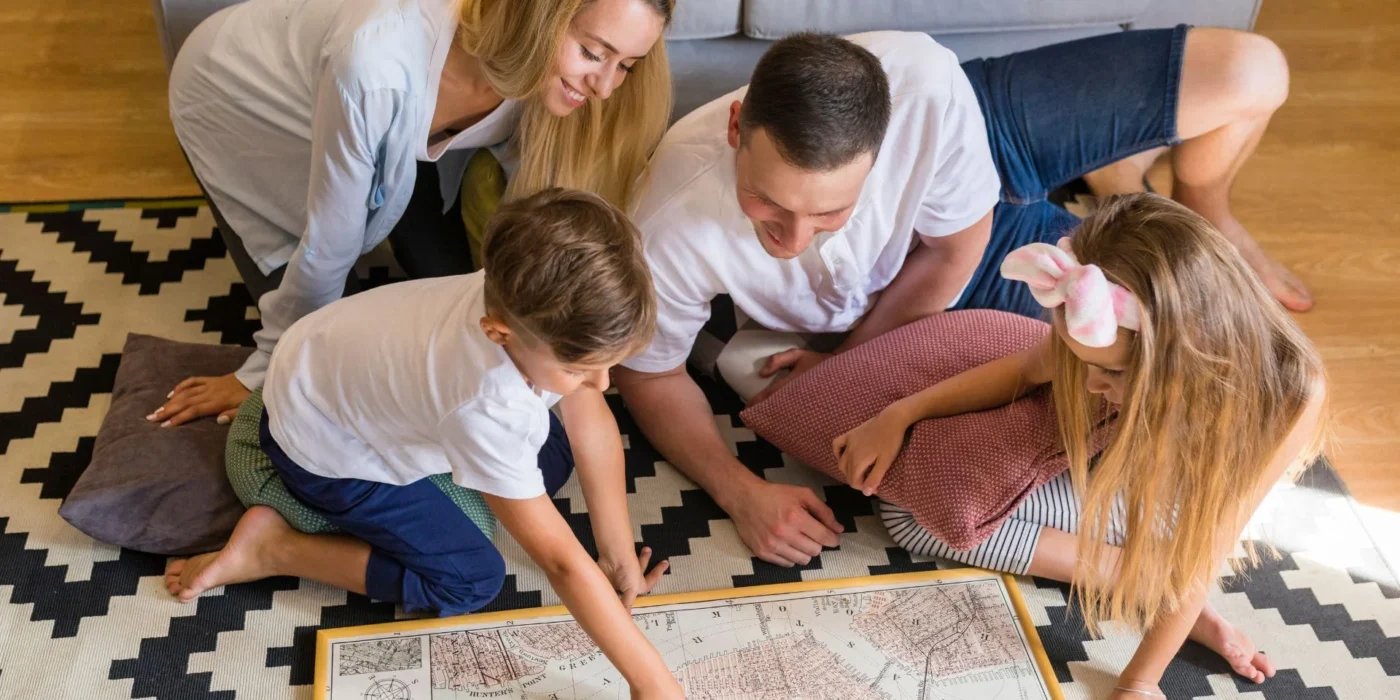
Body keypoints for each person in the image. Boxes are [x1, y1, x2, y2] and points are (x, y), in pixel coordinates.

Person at [613, 28, 1302, 570]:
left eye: (829, 215)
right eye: (764, 204)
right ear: (737, 129)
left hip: (976, 166)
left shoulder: (926, 88)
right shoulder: (671, 218)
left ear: (879, 161)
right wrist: (739, 490)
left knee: (1255, 70)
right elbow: (647, 372)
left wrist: (848, 356)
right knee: (1158, 363)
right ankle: (1111, 185)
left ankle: (1194, 202)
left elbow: (954, 244)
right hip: (965, 273)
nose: (790, 239)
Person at [164, 189, 684, 698]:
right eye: (580, 367)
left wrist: (616, 553)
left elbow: (585, 411)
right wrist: (651, 682)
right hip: (329, 449)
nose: (605, 384)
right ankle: (273, 549)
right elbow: (562, 563)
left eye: (609, 363)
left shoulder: (519, 280)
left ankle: (470, 462)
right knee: (470, 580)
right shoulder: (484, 404)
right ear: (499, 333)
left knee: (555, 450)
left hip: (326, 367)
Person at [833, 194, 1327, 699]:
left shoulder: (1291, 393)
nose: (1091, 385)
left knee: (922, 517)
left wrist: (1140, 682)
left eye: (1111, 371)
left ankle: (1161, 588)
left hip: (1179, 516)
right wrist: (900, 414)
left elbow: (1201, 549)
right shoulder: (1104, 326)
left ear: (1183, 350)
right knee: (914, 504)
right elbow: (1025, 371)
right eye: (1084, 363)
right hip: (1115, 476)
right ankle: (1144, 583)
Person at [155, 0, 674, 427]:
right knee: (328, 360)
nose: (605, 87)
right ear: (536, 15)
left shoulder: (549, 80)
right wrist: (268, 366)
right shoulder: (378, 65)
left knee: (463, 306)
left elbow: (534, 238)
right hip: (244, 97)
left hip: (388, 118)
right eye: (591, 53)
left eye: (625, 65)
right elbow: (327, 243)